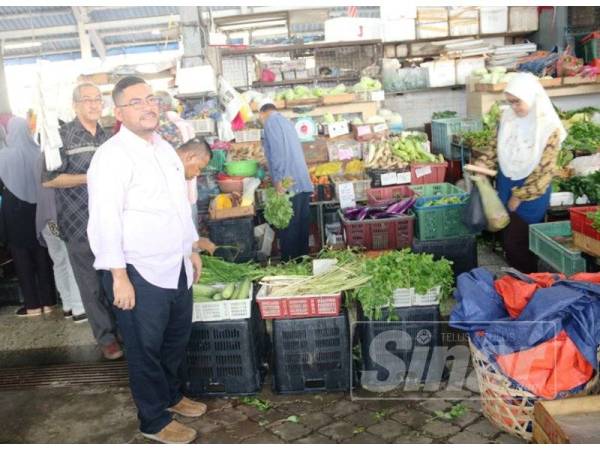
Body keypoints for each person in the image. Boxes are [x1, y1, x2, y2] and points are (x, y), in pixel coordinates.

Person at [87, 76, 206, 444]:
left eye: (151, 99)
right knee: (144, 348)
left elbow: (180, 206)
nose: (148, 106)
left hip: (175, 264)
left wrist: (192, 249)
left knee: (175, 339)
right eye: (136, 102)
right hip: (138, 270)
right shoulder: (111, 157)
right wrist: (118, 275)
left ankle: (170, 396)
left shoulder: (165, 149)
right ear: (119, 112)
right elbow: (105, 218)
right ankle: (152, 420)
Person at [42, 83, 122, 359]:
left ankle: (122, 331)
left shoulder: (109, 136)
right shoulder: (61, 137)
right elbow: (49, 179)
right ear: (75, 105)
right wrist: (91, 177)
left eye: (97, 100)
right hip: (77, 223)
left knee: (115, 278)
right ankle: (106, 338)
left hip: (110, 222)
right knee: (90, 284)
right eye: (87, 100)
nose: (94, 104)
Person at [474, 72, 566, 273]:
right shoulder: (506, 118)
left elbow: (545, 170)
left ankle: (529, 283)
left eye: (517, 102)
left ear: (531, 97)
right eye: (510, 102)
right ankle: (521, 282)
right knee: (509, 238)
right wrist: (482, 164)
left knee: (517, 243)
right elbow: (493, 147)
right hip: (507, 182)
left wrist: (520, 195)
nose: (514, 107)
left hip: (532, 191)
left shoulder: (548, 128)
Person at [0, 117, 56, 316]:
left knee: (21, 257)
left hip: (13, 211)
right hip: (40, 208)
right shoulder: (38, 153)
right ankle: (49, 301)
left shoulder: (3, 155)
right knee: (42, 253)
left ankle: (32, 305)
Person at [257, 99, 313, 261]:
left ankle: (290, 265)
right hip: (302, 180)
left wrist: (278, 180)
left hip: (289, 183)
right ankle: (302, 262)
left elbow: (278, 153)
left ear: (262, 114)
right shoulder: (287, 122)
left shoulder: (270, 123)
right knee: (302, 225)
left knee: (289, 228)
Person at [35, 152, 86, 322]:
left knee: (59, 262)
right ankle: (79, 308)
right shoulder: (55, 157)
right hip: (59, 218)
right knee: (71, 260)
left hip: (44, 219)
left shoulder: (38, 158)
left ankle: (67, 305)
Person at [175, 138, 217, 256]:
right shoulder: (165, 171)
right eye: (199, 168)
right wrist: (195, 242)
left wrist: (194, 242)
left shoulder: (176, 172)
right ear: (190, 157)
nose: (198, 173)